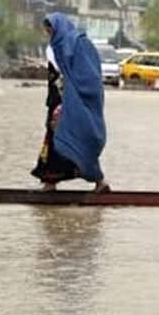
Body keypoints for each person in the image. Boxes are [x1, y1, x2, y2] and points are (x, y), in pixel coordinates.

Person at [30, 13, 109, 193]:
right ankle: (50, 182)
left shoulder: (78, 44)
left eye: (51, 29)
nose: (49, 32)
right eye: (47, 30)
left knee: (80, 138)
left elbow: (89, 75)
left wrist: (73, 94)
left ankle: (99, 181)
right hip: (57, 102)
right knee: (54, 140)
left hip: (74, 103)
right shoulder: (53, 49)